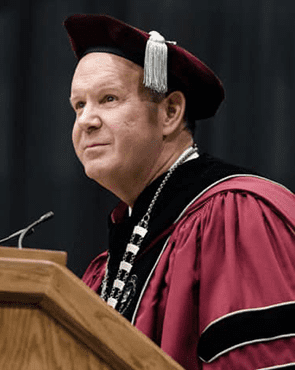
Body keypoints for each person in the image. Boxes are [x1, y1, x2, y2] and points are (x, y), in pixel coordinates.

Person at [64, 14, 295, 370]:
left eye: (108, 99)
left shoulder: (235, 219)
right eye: (79, 105)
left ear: (170, 112)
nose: (86, 120)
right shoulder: (106, 270)